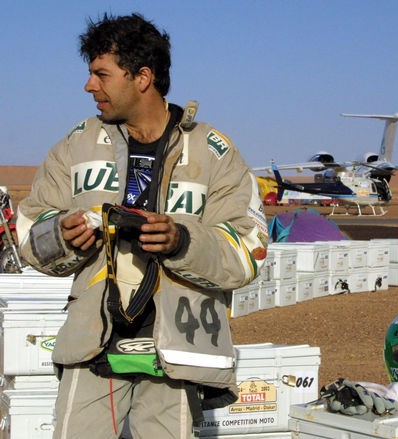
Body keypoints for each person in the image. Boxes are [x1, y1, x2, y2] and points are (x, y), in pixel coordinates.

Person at [17, 13, 268, 439]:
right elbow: (28, 230)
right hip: (93, 341)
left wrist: (182, 240)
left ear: (142, 77)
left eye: (101, 74)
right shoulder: (76, 144)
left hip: (178, 347)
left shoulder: (214, 153)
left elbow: (250, 248)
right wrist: (61, 236)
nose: (89, 86)